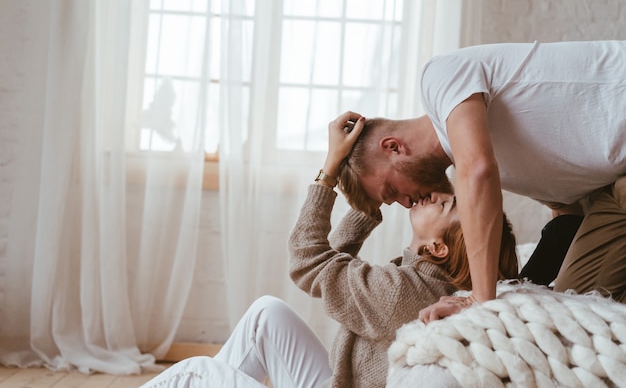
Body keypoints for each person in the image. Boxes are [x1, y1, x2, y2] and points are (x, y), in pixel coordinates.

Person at [138, 115, 519, 388]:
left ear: (436, 247)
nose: (437, 194)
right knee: (265, 314)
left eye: (446, 205)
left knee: (197, 373)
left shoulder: (403, 292)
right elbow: (332, 262)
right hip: (334, 381)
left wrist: (330, 168)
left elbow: (308, 261)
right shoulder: (422, 281)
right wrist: (369, 207)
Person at [336, 40, 626, 322]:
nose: (406, 202)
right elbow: (567, 215)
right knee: (577, 302)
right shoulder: (503, 159)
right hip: (616, 188)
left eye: (392, 191)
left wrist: (480, 298)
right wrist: (518, 288)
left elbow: (477, 171)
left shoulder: (439, 76)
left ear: (393, 147)